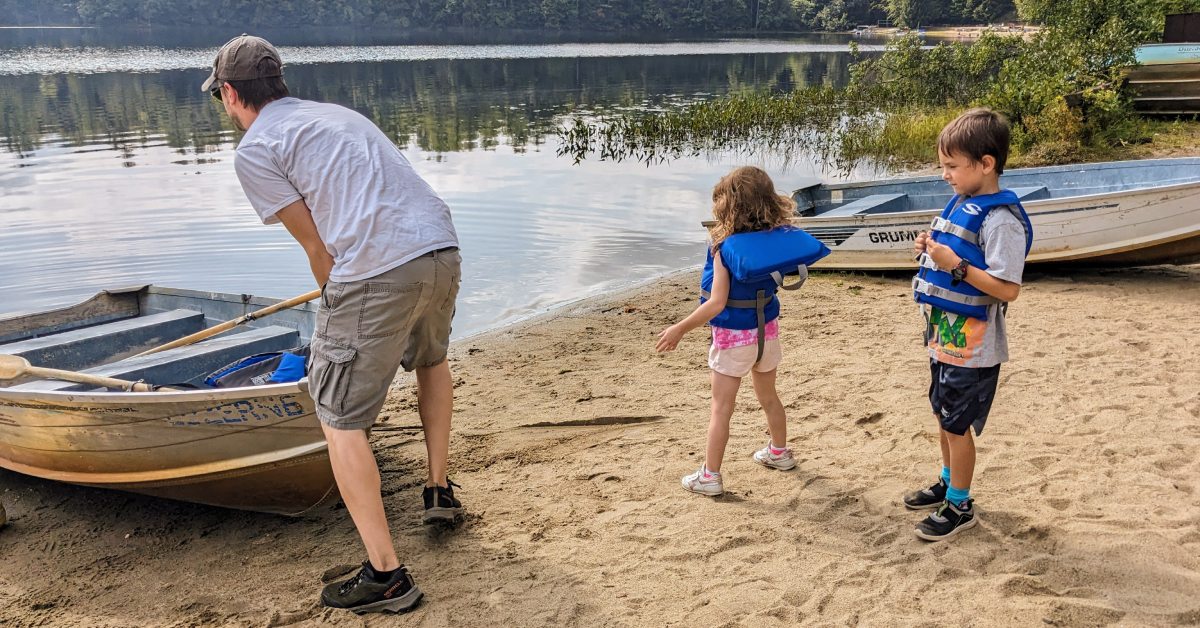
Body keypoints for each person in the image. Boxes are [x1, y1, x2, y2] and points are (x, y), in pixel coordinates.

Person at [202, 34, 463, 613]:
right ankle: (438, 490)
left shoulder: (256, 148)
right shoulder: (333, 114)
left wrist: (338, 305)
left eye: (220, 97)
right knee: (431, 360)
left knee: (338, 417)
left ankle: (387, 575)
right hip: (441, 249)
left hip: (379, 268)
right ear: (279, 82)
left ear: (229, 92)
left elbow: (318, 247)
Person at [656, 166, 827, 496]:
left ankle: (710, 476)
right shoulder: (778, 236)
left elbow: (717, 303)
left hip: (734, 339)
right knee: (769, 397)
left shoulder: (725, 246)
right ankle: (779, 453)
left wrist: (680, 328)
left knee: (721, 410)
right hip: (767, 332)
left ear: (728, 206)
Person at [907, 108, 1034, 541]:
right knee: (943, 416)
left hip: (975, 347)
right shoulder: (964, 202)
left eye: (951, 166)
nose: (945, 175)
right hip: (945, 337)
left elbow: (1007, 288)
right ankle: (948, 480)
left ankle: (960, 505)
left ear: (986, 164)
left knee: (958, 425)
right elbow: (949, 256)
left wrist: (954, 263)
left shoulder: (1001, 220)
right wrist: (929, 250)